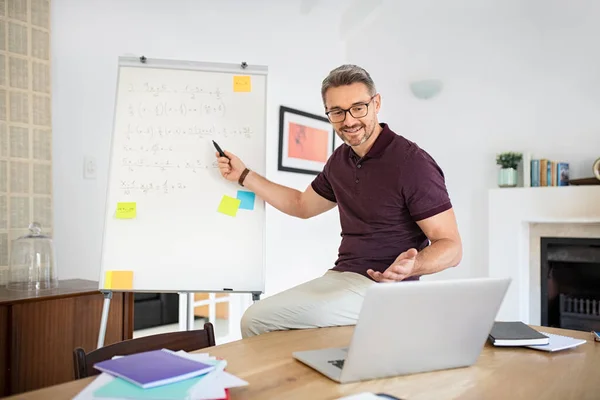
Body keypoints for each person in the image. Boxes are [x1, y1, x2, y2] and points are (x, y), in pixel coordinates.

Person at [216, 64, 462, 338]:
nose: (349, 120)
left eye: (358, 107)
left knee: (255, 319)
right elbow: (301, 205)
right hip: (342, 277)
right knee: (271, 322)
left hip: (384, 289)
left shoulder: (411, 163)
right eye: (337, 112)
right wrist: (244, 176)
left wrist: (413, 266)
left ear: (376, 103)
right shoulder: (340, 160)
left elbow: (452, 248)